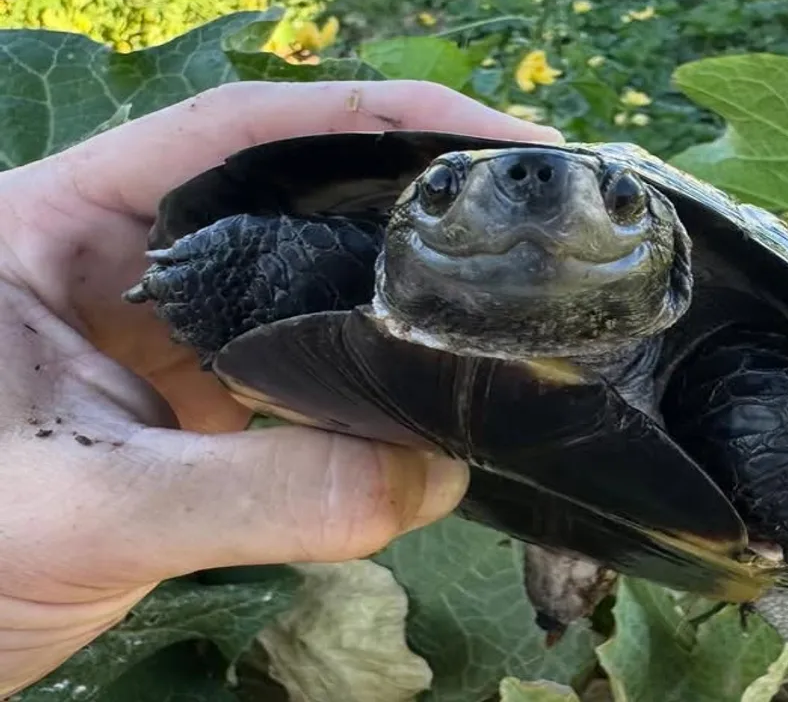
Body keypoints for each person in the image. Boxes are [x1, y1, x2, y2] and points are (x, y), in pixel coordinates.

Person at [0, 79, 565, 696]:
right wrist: (218, 271)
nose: (526, 191)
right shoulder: (334, 259)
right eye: (441, 189)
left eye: (621, 200)